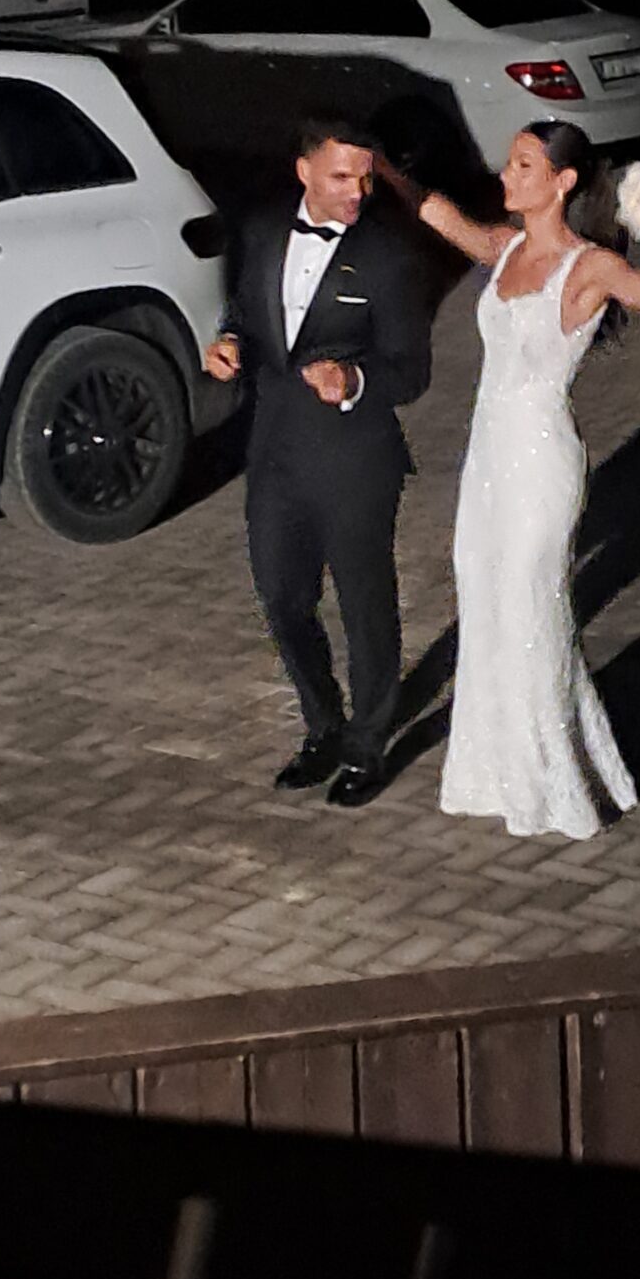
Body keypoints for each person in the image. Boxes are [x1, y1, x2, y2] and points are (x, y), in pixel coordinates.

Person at [376, 121, 640, 839]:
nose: (506, 174)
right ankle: (494, 771)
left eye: (523, 165)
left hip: (541, 460)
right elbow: (437, 213)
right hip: (487, 459)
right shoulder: (505, 247)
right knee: (485, 599)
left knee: (532, 607)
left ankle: (556, 779)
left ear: (562, 182)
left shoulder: (588, 267)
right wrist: (384, 169)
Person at [205, 120, 432, 808]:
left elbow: (412, 372)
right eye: (340, 177)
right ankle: (323, 726)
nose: (357, 191)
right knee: (281, 597)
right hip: (275, 452)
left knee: (365, 607)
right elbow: (248, 314)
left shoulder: (389, 256)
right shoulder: (262, 230)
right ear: (303, 171)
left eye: (365, 177)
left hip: (355, 458)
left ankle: (367, 746)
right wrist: (230, 343)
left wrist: (354, 379)